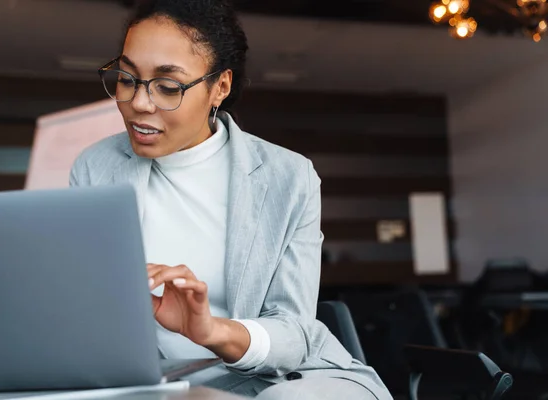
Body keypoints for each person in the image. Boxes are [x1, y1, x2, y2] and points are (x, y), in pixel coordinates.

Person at [69, 0, 391, 398]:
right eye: (126, 78)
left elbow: (293, 330)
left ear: (220, 86)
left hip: (291, 379)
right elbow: (89, 307)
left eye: (168, 86)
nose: (138, 103)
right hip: (164, 382)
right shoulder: (96, 167)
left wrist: (211, 331)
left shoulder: (288, 176)